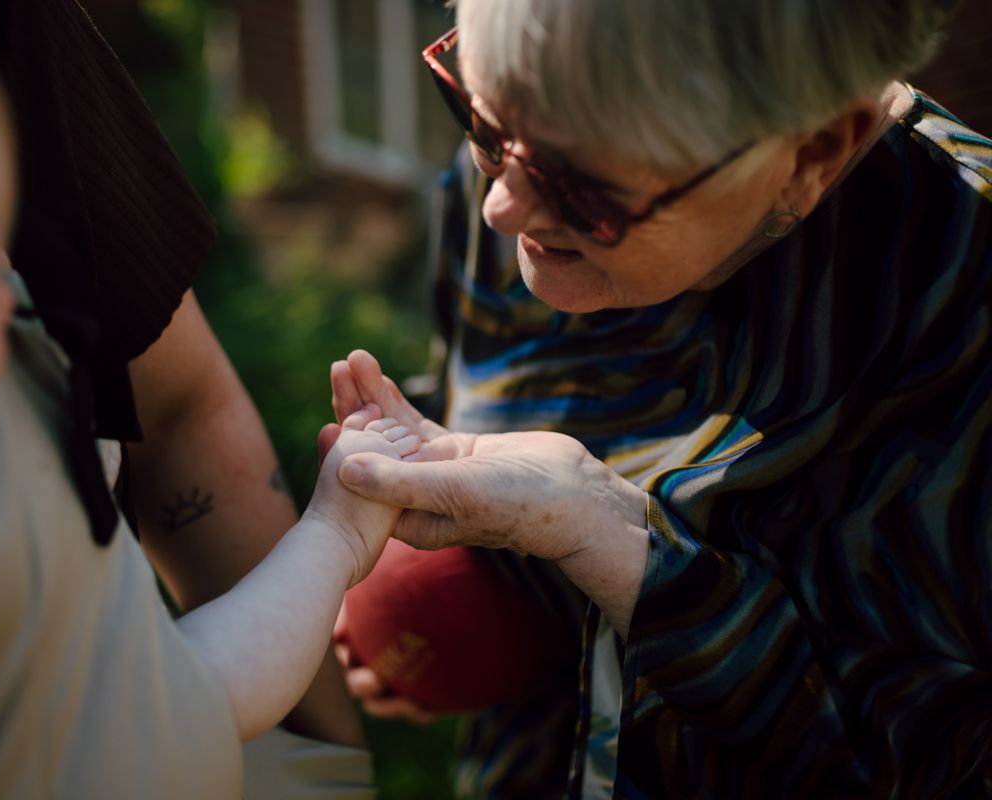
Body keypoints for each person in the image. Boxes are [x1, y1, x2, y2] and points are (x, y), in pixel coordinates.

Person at [323, 0, 992, 796]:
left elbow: (926, 766)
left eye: (583, 181)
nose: (501, 207)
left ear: (814, 152)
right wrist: (428, 588)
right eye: (476, 108)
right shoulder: (530, 158)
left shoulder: (964, 311)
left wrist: (618, 545)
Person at [0, 5, 416, 796]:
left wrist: (332, 533)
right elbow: (211, 692)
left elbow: (191, 686)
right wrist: (332, 535)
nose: (14, 297)